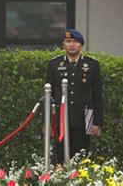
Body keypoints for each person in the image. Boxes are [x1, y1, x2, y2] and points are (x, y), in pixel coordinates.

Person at [46, 29, 103, 164]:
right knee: (60, 158)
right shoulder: (54, 64)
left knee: (81, 157)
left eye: (76, 42)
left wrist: (97, 122)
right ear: (63, 44)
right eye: (68, 41)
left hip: (84, 117)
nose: (72, 45)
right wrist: (48, 122)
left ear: (81, 45)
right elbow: (49, 95)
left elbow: (97, 95)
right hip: (60, 117)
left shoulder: (92, 65)